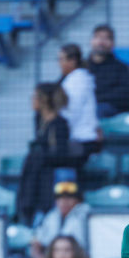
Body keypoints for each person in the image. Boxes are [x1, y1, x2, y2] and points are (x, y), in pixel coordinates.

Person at [17, 83, 77, 226]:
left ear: (44, 100)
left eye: (35, 97)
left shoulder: (60, 124)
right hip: (35, 173)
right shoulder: (39, 120)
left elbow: (61, 155)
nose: (32, 100)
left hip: (48, 176)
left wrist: (40, 156)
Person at [30, 180, 90, 258]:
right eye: (60, 198)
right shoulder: (51, 216)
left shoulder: (85, 215)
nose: (64, 202)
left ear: (78, 200)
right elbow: (37, 242)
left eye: (69, 198)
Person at [58, 43, 100, 159]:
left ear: (72, 61)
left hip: (82, 139)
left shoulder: (77, 81)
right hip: (79, 138)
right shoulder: (73, 79)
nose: (59, 63)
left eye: (62, 59)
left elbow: (72, 111)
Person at [86, 24, 129, 118]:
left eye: (106, 39)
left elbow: (126, 94)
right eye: (98, 37)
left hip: (110, 111)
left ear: (112, 43)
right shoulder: (82, 68)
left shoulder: (121, 68)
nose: (101, 42)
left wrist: (96, 98)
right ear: (91, 41)